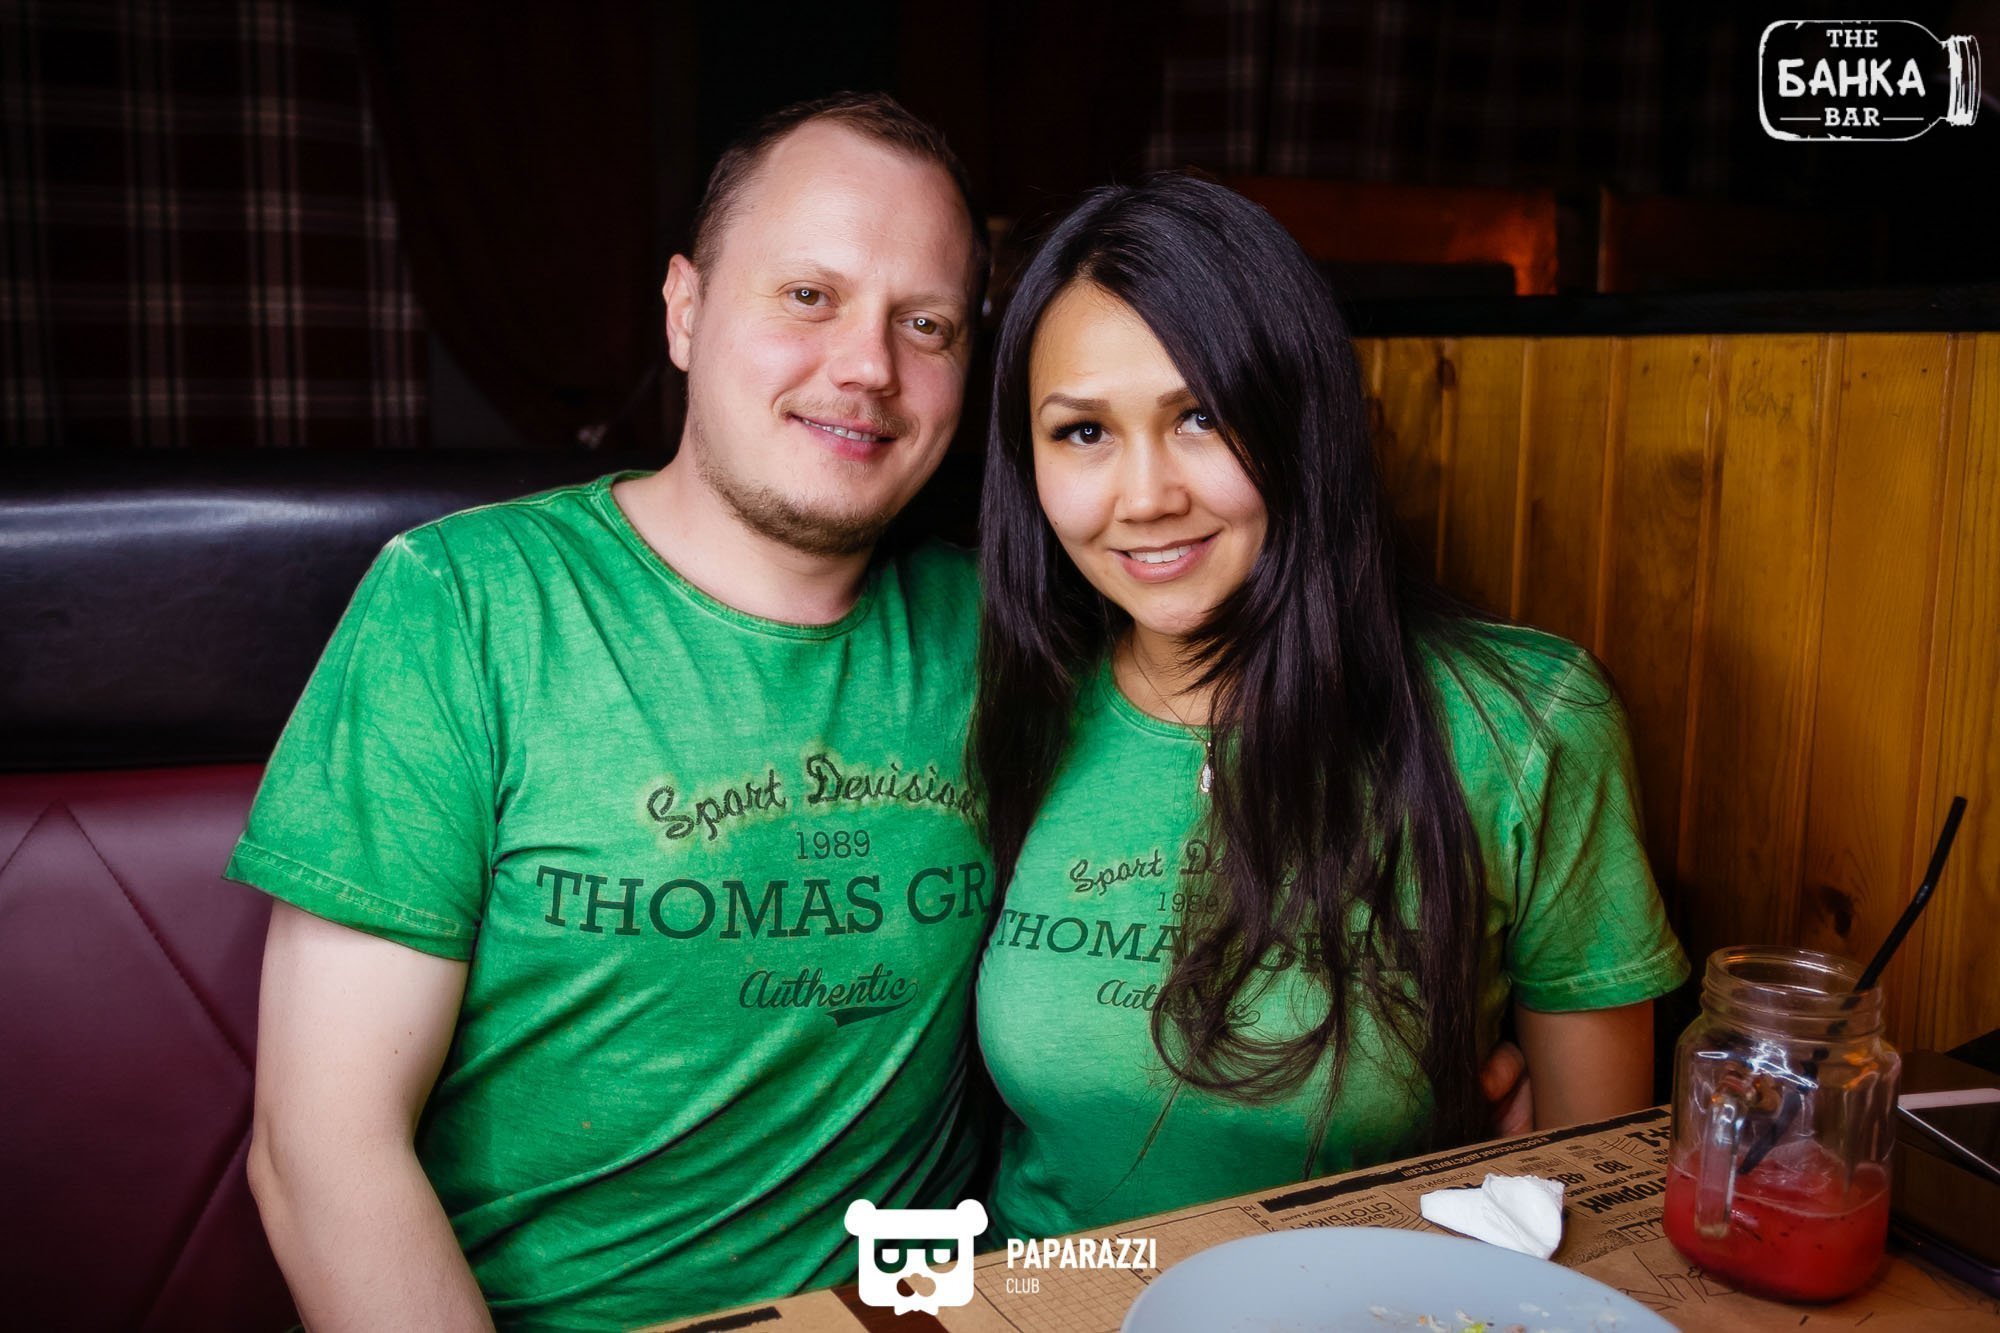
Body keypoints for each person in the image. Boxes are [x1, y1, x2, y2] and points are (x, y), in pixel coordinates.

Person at [228, 93, 995, 1331]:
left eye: (926, 324)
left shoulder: (1004, 633)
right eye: (808, 295)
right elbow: (320, 1152)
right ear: (685, 310)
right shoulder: (462, 602)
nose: (868, 366)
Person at [970, 174, 1689, 1242]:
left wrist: (1508, 1180)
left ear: (1300, 422)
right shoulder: (1012, 700)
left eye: (1201, 416)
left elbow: (1592, 1198)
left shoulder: (1525, 721)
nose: (1145, 495)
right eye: (1082, 432)